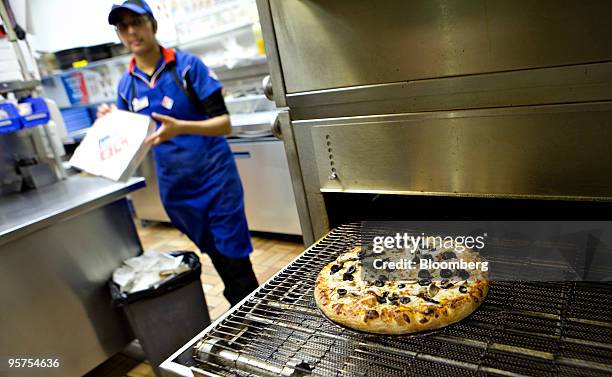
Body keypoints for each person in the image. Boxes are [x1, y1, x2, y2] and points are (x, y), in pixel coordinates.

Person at [98, 0, 259, 306]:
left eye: (137, 22)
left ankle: (249, 309)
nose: (131, 31)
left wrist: (181, 127)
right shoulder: (126, 86)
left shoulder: (186, 67)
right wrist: (111, 123)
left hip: (215, 177)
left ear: (152, 24)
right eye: (123, 26)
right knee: (214, 249)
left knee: (232, 250)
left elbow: (224, 123)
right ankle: (242, 303)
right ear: (119, 34)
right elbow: (132, 136)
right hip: (177, 189)